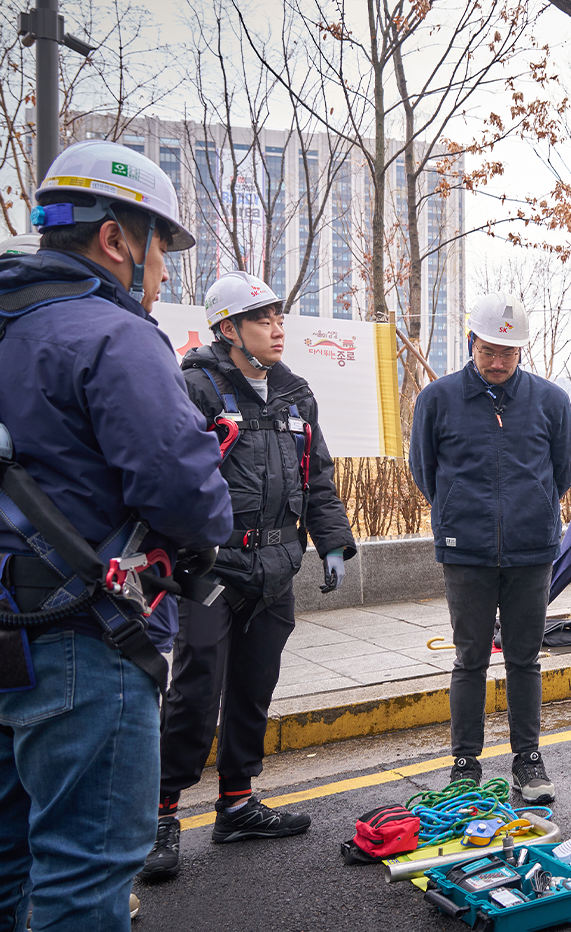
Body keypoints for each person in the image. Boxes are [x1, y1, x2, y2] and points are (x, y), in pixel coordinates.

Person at [0, 140, 232, 930]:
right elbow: (186, 494)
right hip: (79, 643)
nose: (162, 271)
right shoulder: (114, 334)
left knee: (6, 868)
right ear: (116, 240)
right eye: (160, 248)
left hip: (8, 632)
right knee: (85, 875)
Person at [139, 271, 356, 880]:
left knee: (255, 687)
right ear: (228, 330)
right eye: (263, 320)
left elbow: (317, 473)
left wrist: (333, 543)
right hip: (211, 569)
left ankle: (237, 803)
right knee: (195, 691)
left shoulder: (295, 392)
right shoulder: (195, 387)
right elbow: (169, 476)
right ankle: (160, 815)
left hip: (276, 569)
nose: (278, 329)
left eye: (280, 318)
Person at [409, 292, 571, 803]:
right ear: (470, 345)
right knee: (469, 659)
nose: (498, 362)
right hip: (466, 550)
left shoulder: (551, 400)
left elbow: (563, 471)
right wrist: (459, 512)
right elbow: (425, 470)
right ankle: (465, 763)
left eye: (508, 352)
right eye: (488, 351)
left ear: (522, 352)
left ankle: (528, 758)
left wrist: (532, 510)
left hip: (532, 550)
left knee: (525, 658)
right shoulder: (437, 399)